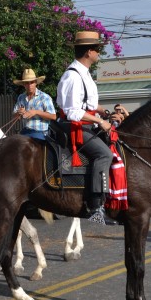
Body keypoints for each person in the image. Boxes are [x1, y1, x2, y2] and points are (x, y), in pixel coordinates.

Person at [56, 30, 114, 224]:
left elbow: (88, 104)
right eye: (97, 49)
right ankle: (96, 206)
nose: (99, 53)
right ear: (89, 52)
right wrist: (100, 121)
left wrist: (104, 112)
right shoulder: (73, 76)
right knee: (104, 154)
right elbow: (73, 111)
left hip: (84, 123)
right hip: (73, 126)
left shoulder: (84, 73)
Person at [13, 68, 56, 140]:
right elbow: (15, 118)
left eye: (32, 82)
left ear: (36, 83)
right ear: (23, 85)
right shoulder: (21, 97)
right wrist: (19, 113)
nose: (29, 85)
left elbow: (53, 116)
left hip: (40, 132)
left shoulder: (44, 97)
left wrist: (36, 112)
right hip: (25, 131)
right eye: (27, 83)